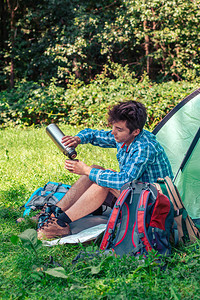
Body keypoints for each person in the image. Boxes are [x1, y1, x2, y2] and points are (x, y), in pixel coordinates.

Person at [37, 100, 173, 240]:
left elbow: (124, 181)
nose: (113, 133)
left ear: (136, 131)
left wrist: (86, 170)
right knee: (97, 170)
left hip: (152, 204)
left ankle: (61, 223)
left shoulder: (144, 147)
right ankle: (52, 214)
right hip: (137, 192)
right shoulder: (123, 136)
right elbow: (95, 135)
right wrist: (78, 139)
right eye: (113, 127)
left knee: (103, 181)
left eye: (119, 129)